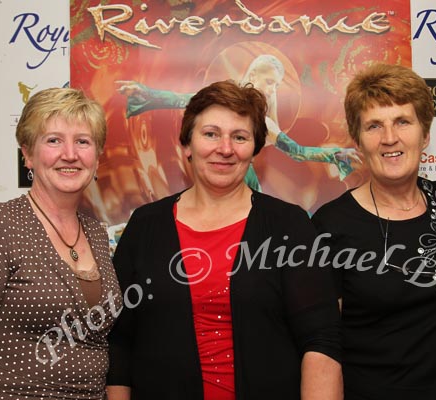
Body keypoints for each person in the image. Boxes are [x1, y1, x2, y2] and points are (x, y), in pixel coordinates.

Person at [106, 80, 342, 400]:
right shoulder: (145, 225)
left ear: (255, 149)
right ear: (187, 144)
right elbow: (119, 342)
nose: (225, 148)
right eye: (211, 134)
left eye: (240, 137)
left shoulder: (290, 225)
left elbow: (321, 341)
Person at [311, 63, 436, 400]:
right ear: (358, 142)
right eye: (374, 126)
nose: (389, 138)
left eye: (403, 121)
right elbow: (323, 346)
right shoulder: (331, 226)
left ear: (425, 134)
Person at [0, 88, 121, 399]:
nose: (70, 154)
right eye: (53, 140)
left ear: (97, 156)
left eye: (83, 141)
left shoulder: (95, 232)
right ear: (27, 154)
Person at [116, 54, 361, 191]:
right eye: (269, 82)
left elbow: (298, 152)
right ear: (253, 75)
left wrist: (334, 155)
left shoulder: (267, 123)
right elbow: (182, 99)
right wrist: (145, 93)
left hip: (247, 188)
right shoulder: (217, 101)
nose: (272, 89)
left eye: (276, 85)